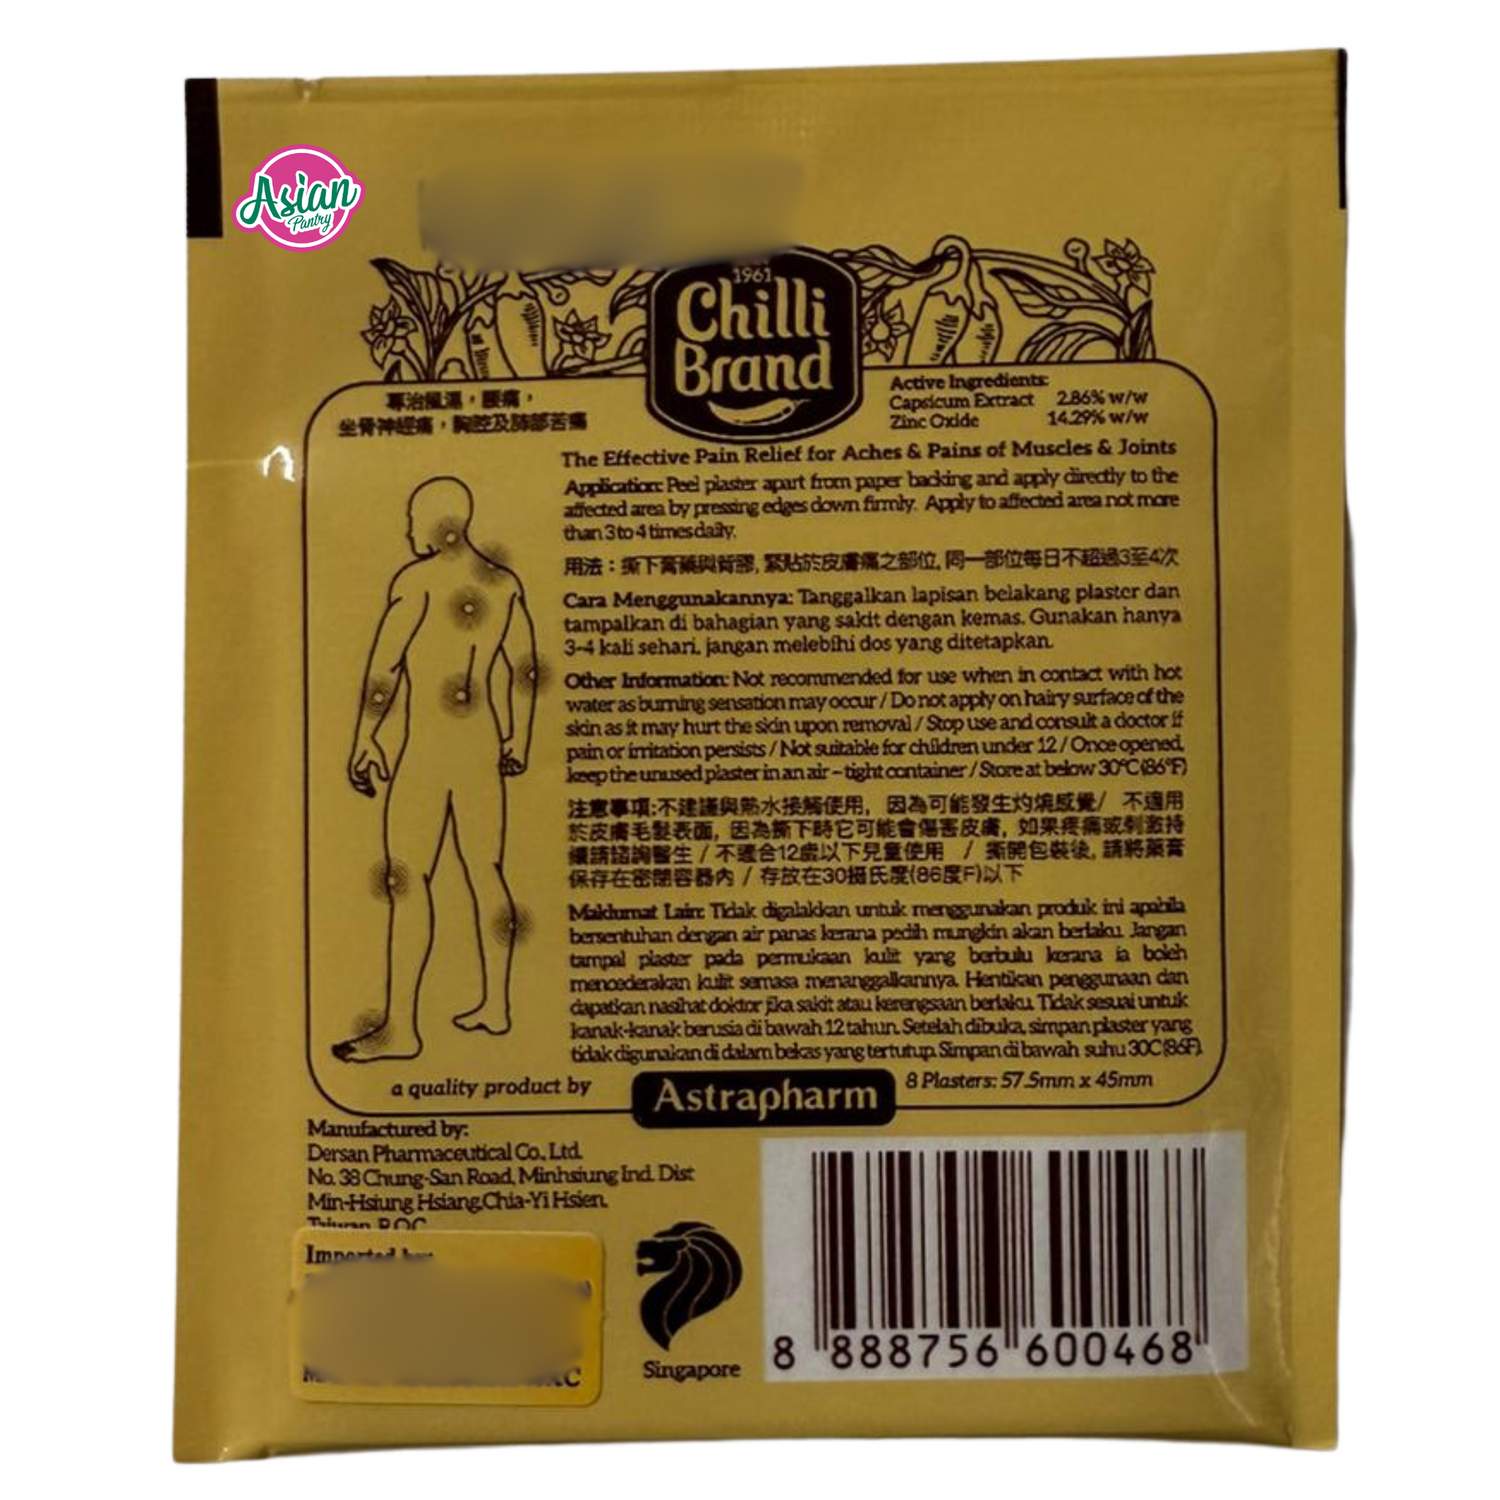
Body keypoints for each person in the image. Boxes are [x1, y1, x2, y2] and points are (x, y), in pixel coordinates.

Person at [335, 476, 535, 1061]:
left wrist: (365, 735)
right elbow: (524, 669)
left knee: (408, 877)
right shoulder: (504, 584)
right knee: (486, 871)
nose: (407, 528)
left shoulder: (416, 582)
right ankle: (496, 1006)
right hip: (481, 746)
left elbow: (386, 666)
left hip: (428, 749)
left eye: (412, 517)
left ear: (436, 521)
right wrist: (520, 737)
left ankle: (401, 1028)